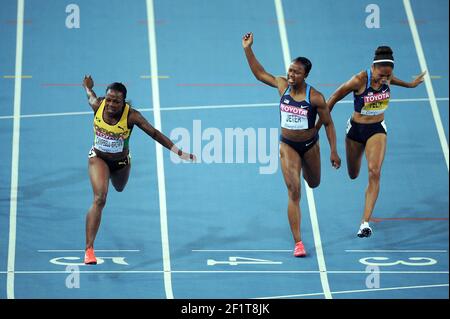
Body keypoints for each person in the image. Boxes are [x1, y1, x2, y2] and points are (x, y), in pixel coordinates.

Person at [242, 32, 341, 257]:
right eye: (290, 70)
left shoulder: (315, 97)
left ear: (305, 75)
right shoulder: (282, 86)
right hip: (287, 146)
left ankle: (308, 170)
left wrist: (333, 150)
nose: (291, 74)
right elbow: (259, 74)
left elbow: (328, 123)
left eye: (296, 72)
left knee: (313, 183)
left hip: (310, 146)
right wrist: (248, 49)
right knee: (293, 190)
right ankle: (298, 243)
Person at [82, 75, 196, 264]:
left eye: (116, 101)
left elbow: (154, 133)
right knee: (100, 199)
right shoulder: (97, 105)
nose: (111, 104)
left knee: (119, 188)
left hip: (121, 163)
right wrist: (87, 86)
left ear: (123, 102)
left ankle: (110, 176)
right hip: (98, 158)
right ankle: (89, 250)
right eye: (108, 99)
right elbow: (89, 94)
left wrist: (178, 151)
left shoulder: (132, 116)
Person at [316, 46, 426, 237]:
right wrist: (316, 128)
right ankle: (363, 215)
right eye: (381, 75)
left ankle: (365, 223)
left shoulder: (387, 75)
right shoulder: (359, 80)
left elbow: (393, 80)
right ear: (372, 67)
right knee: (353, 173)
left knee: (374, 172)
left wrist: (410, 84)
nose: (384, 79)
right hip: (356, 131)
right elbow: (333, 98)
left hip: (377, 129)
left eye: (388, 75)